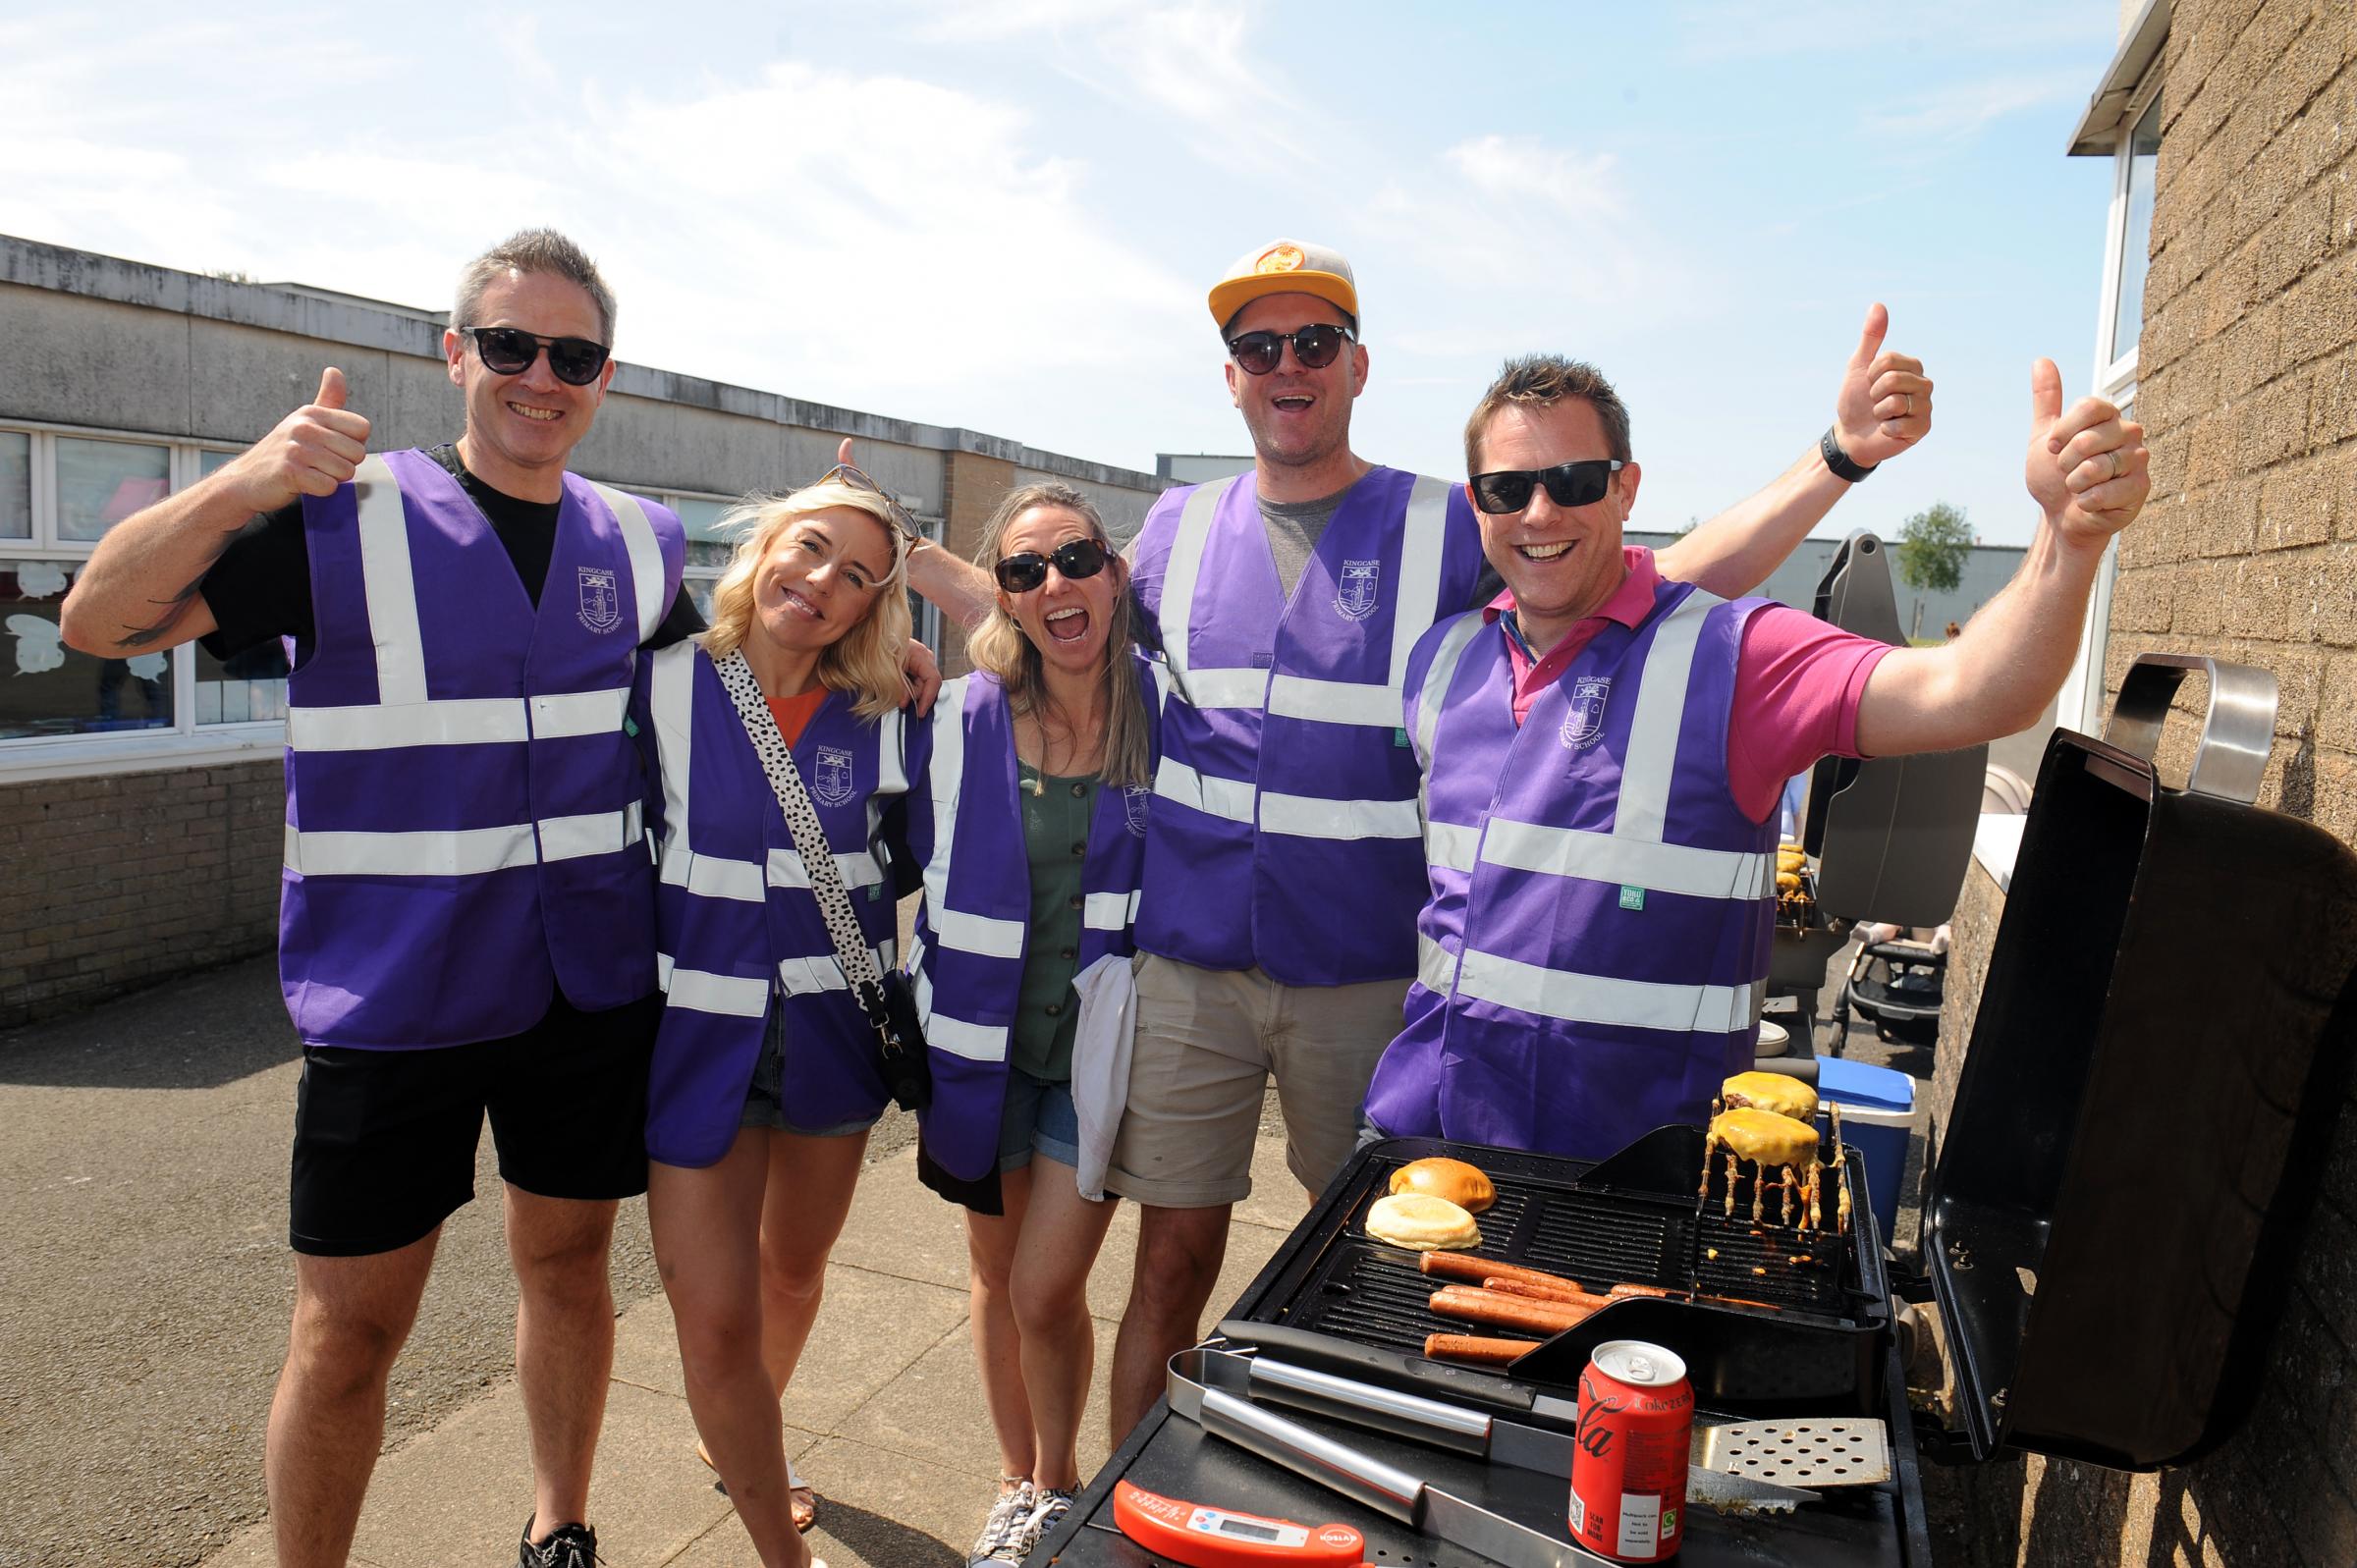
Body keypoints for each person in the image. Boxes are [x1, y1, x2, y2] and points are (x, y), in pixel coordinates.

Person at [1099, 239, 1939, 1439]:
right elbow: (1062, 637)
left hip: (1366, 978)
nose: (1288, 366)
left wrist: (1837, 459)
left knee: (1385, 1255)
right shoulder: (1174, 530)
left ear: (1357, 364)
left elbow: (1650, 578)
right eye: (1258, 346)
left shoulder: (1452, 518)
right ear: (1229, 374)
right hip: (1196, 971)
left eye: (1315, 342)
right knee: (1168, 1266)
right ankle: (1116, 1496)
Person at [59, 229, 692, 1568]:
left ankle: (559, 1523)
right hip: (392, 990)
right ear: (455, 354)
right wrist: (244, 480)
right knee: (347, 1335)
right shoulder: (341, 520)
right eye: (510, 344)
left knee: (571, 1270)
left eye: (570, 354)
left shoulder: (639, 545)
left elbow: (758, 682)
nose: (540, 375)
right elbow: (96, 623)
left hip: (584, 986)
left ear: (605, 375)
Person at [1362, 352, 2147, 1154]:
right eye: (1508, 488)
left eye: (1573, 482)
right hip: (1426, 1137)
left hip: (1632, 1173)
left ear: (1626, 487)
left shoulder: (1735, 657)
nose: (1539, 512)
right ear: (1476, 503)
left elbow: (1974, 690)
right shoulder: (1443, 663)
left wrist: (2068, 542)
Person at [633, 467, 933, 1568]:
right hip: (692, 1044)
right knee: (712, 1318)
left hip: (832, 1045)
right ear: (762, 547)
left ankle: (748, 1438)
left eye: (855, 575)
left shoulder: (890, 713)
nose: (820, 581)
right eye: (808, 548)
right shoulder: (658, 683)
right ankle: (778, 1549)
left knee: (794, 1272)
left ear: (871, 607)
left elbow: (926, 863)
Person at [911, 484, 1163, 1566]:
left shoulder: (1167, 708)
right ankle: (1018, 1480)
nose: (1054, 582)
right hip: (977, 1042)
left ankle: (1059, 1481)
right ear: (1002, 598)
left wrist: (937, 565)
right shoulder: (963, 712)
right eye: (1023, 571)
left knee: (1043, 1285)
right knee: (993, 1274)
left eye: (1077, 558)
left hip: (1098, 1053)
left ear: (1116, 574)